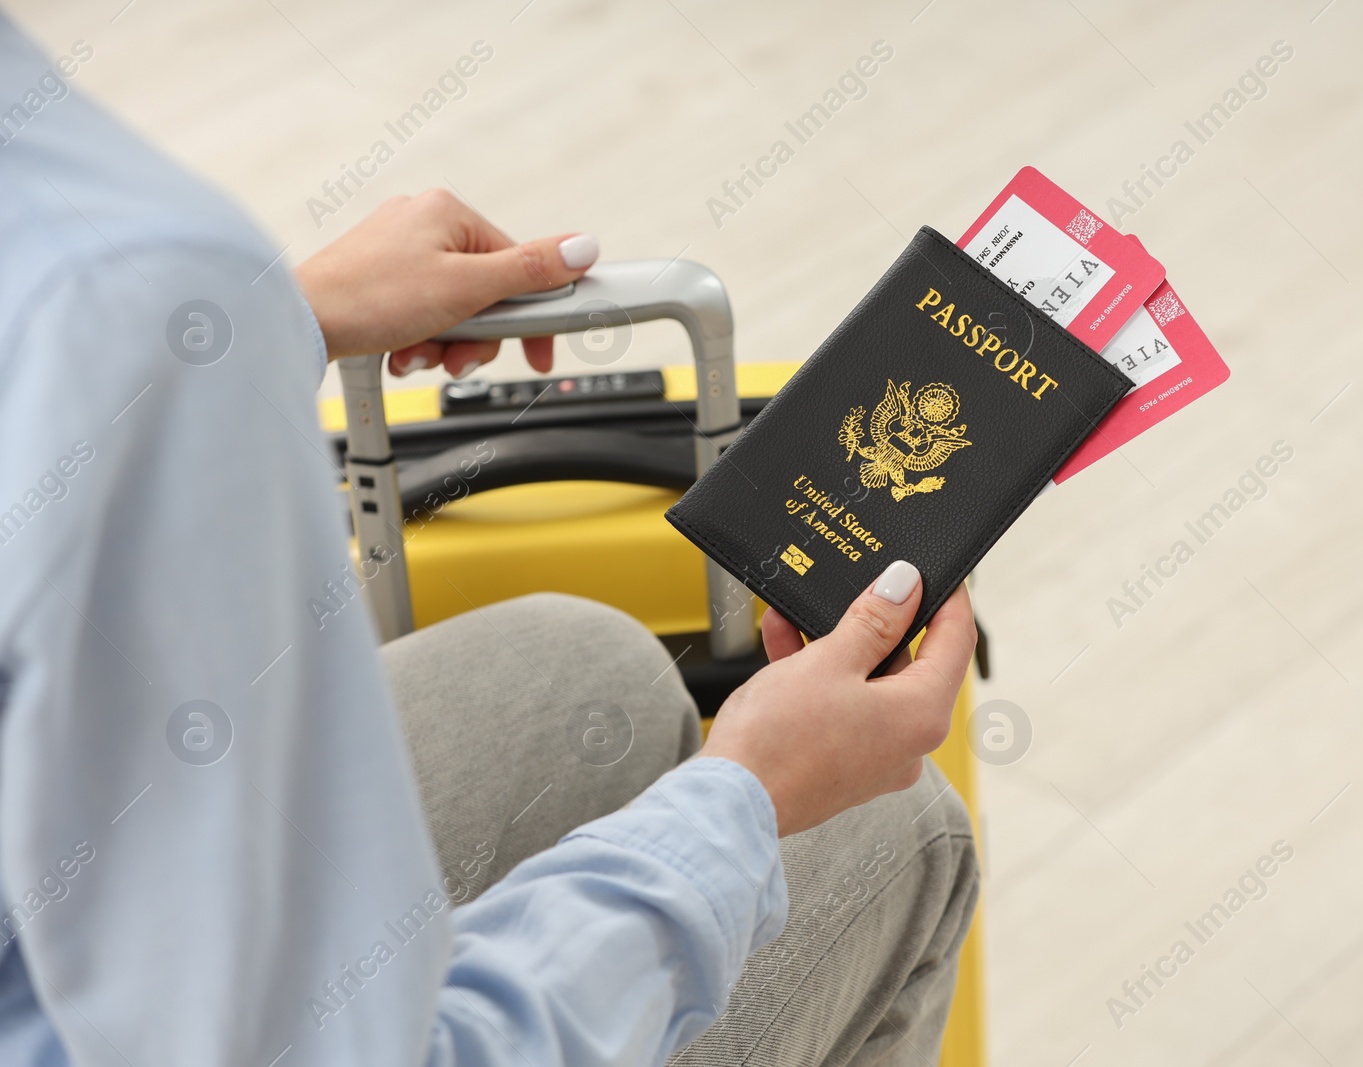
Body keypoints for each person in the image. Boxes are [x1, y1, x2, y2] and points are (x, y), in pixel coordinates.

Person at [0, 15, 978, 1066]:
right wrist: (745, 801)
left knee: (575, 665)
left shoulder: (93, 289)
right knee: (896, 834)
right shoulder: (102, 277)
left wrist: (252, 327)